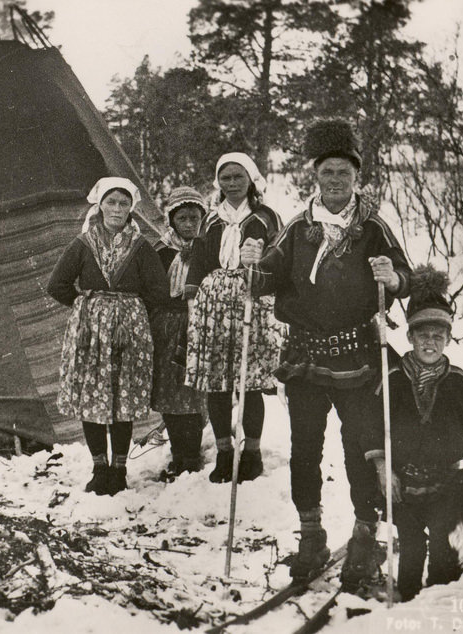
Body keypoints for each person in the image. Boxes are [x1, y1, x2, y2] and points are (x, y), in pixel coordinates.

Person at [240, 119, 413, 593]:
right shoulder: (297, 227)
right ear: (314, 176)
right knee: (304, 449)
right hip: (304, 359)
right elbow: (266, 281)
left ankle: (364, 533)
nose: (335, 181)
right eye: (327, 172)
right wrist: (252, 266)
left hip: (358, 356)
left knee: (361, 447)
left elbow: (406, 276)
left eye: (344, 172)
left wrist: (393, 279)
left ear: (357, 177)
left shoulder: (372, 226)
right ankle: (312, 535)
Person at [365, 265, 463, 601]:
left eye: (438, 336)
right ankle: (408, 599)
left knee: (440, 540)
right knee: (411, 542)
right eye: (423, 335)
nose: (430, 343)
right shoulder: (392, 379)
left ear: (448, 339)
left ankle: (437, 597)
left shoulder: (459, 382)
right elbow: (372, 428)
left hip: (445, 484)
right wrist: (383, 469)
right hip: (402, 485)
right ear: (410, 337)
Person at [47, 177, 169, 496]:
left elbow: (158, 290)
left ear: (132, 207)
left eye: (123, 202)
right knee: (93, 399)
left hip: (129, 334)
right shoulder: (84, 243)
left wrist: (132, 313)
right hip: (91, 334)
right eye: (111, 202)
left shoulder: (141, 247)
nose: (117, 208)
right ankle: (99, 467)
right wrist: (87, 308)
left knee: (122, 400)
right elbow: (57, 284)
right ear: (99, 204)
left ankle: (119, 469)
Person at [184, 154, 284, 484]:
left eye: (237, 177)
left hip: (252, 302)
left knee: (250, 381)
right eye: (225, 178)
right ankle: (225, 453)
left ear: (251, 179)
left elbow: (278, 257)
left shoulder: (265, 217)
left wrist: (263, 274)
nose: (231, 183)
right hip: (214, 306)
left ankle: (252, 453)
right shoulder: (211, 221)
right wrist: (194, 294)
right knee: (218, 383)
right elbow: (198, 261)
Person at [151, 187, 208, 480]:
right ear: (171, 220)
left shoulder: (209, 249)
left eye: (194, 218)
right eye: (182, 218)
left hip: (199, 325)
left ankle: (193, 454)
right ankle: (178, 453)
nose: (189, 224)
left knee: (194, 391)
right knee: (170, 393)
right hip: (167, 327)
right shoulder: (159, 252)